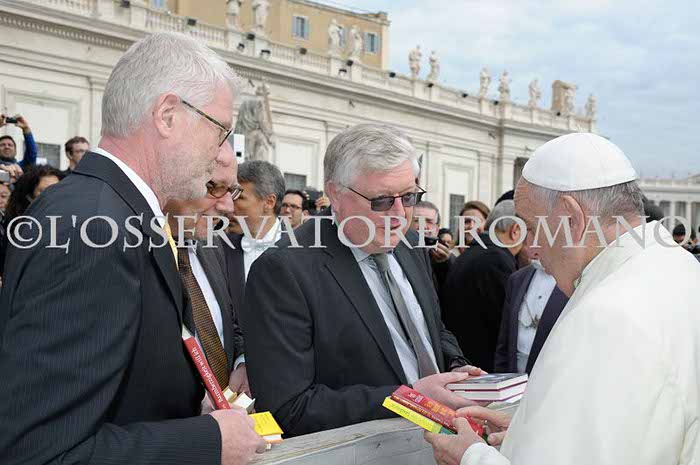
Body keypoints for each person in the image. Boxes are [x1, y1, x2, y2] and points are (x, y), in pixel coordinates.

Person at [0, 32, 267, 465]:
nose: (222, 151)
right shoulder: (93, 228)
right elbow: (41, 451)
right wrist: (207, 441)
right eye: (221, 131)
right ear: (167, 116)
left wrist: (188, 409)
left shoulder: (119, 213)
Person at [425, 132, 700, 465]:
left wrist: (470, 455)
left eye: (531, 227)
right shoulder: (681, 268)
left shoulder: (606, 317)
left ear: (571, 217)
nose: (532, 248)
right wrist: (528, 431)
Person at [240, 124, 480, 437]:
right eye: (382, 200)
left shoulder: (410, 244)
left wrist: (456, 367)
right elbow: (287, 408)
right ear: (336, 195)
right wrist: (408, 398)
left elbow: (431, 328)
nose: (400, 214)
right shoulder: (283, 271)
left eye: (409, 197)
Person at [164, 150, 250, 401]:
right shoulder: (138, 254)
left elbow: (230, 322)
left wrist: (242, 363)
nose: (229, 207)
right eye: (214, 187)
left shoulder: (213, 244)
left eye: (232, 191)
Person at [442, 200, 523, 372]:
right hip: (484, 370)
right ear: (515, 231)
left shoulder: (470, 254)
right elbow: (507, 325)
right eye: (529, 230)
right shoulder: (497, 260)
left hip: (463, 363)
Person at [493, 246, 567, 375]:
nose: (532, 246)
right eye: (530, 237)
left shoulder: (572, 282)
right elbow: (504, 342)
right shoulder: (517, 279)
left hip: (551, 378)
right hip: (514, 379)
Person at [224, 159, 285, 311]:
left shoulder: (303, 250)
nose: (229, 206)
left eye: (239, 198)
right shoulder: (220, 249)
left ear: (269, 202)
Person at [411, 200, 454, 296]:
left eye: (429, 222)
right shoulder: (395, 254)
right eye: (417, 220)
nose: (423, 226)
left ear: (437, 229)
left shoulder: (447, 257)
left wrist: (445, 263)